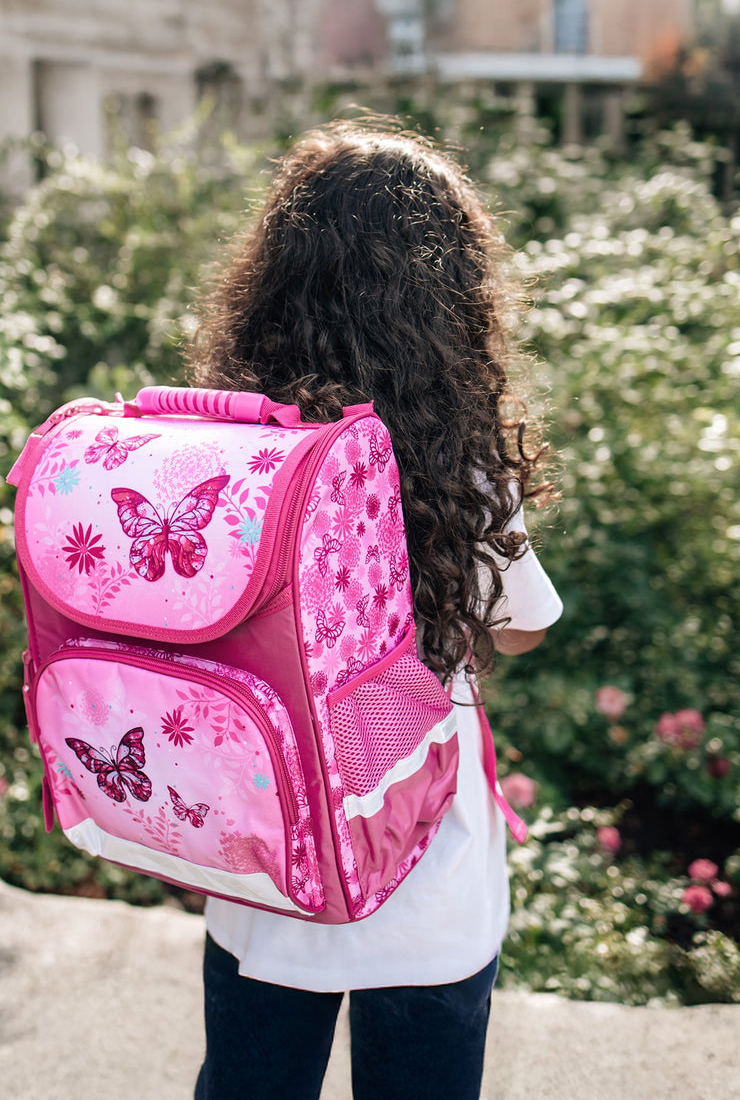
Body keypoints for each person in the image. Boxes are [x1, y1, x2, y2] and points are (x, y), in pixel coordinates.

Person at [186, 120, 563, 1100]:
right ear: (445, 293)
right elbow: (524, 627)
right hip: (424, 887)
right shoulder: (457, 455)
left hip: (267, 884)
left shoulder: (231, 444)